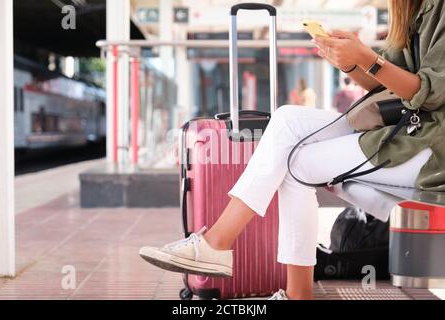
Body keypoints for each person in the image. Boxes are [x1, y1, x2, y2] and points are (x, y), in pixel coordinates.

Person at [140, 0, 445, 300]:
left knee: (297, 163)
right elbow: (389, 86)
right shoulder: (409, 7)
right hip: (408, 129)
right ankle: (219, 244)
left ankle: (247, 263)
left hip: (431, 145)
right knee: (287, 120)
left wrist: (367, 57)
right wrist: (351, 63)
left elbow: (429, 94)